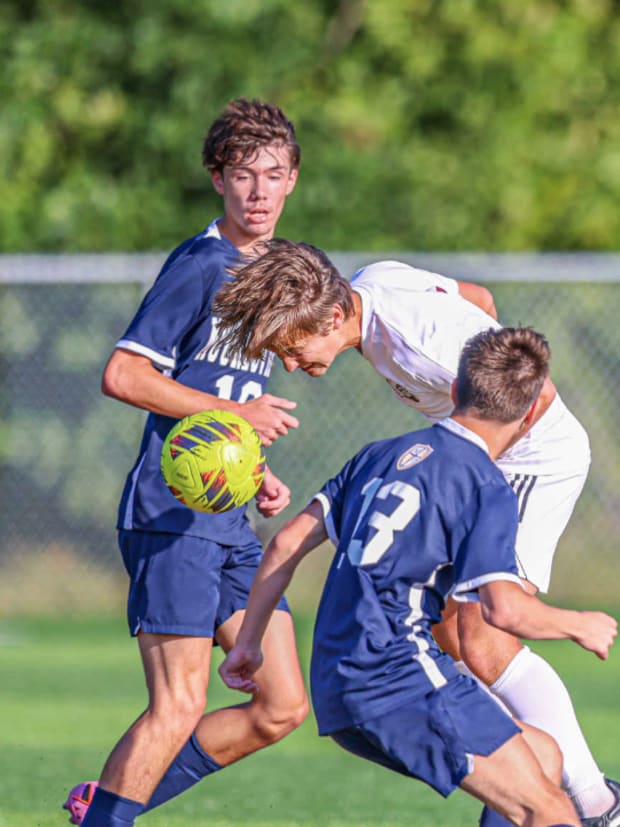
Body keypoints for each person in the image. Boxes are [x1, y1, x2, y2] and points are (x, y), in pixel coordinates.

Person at [213, 239, 620, 826]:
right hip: (476, 458)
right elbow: (478, 300)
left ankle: (592, 802)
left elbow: (535, 399)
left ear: (332, 316)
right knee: (451, 633)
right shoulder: (372, 281)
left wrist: (473, 468)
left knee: (481, 634)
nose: (291, 366)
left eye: (293, 349)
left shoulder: (422, 349)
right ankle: (531, 776)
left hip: (531, 460)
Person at [63, 99, 309, 827]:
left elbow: (216, 395)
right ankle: (110, 816)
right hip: (172, 518)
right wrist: (238, 418)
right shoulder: (202, 263)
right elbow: (123, 375)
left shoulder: (269, 272)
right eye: (242, 174)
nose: (258, 191)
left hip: (226, 515)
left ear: (293, 179)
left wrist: (250, 467)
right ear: (217, 179)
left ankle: (102, 808)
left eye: (272, 174)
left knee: (281, 701)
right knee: (179, 702)